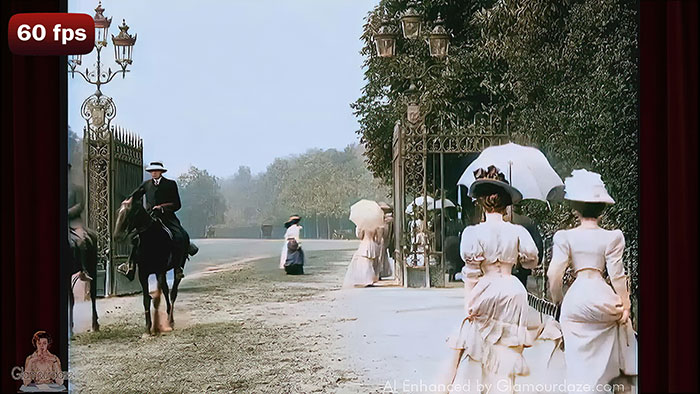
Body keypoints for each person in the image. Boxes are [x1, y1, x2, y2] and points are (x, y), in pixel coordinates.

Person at [445, 166, 539, 393]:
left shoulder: (473, 233)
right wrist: (513, 260)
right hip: (512, 289)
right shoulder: (518, 232)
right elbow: (531, 261)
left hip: (486, 288)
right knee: (508, 350)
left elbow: (471, 272)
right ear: (506, 205)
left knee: (482, 348)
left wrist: (469, 301)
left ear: (480, 203)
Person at [547, 169, 637, 389]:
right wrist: (625, 305)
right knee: (606, 366)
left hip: (577, 299)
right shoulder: (612, 237)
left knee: (577, 367)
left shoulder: (565, 236)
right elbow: (617, 274)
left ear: (576, 208)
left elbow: (553, 273)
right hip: (602, 298)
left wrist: (558, 299)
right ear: (602, 209)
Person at [120, 161, 197, 281]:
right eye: (151, 171)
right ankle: (130, 265)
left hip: (167, 217)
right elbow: (135, 195)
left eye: (156, 171)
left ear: (161, 172)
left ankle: (178, 267)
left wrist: (162, 208)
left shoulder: (170, 184)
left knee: (180, 235)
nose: (153, 173)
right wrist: (128, 201)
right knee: (134, 237)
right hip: (149, 216)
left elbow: (177, 204)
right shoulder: (146, 184)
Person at [68, 163, 94, 281]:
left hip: (73, 222)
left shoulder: (76, 188)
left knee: (81, 240)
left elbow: (80, 205)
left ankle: (83, 270)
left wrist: (67, 212)